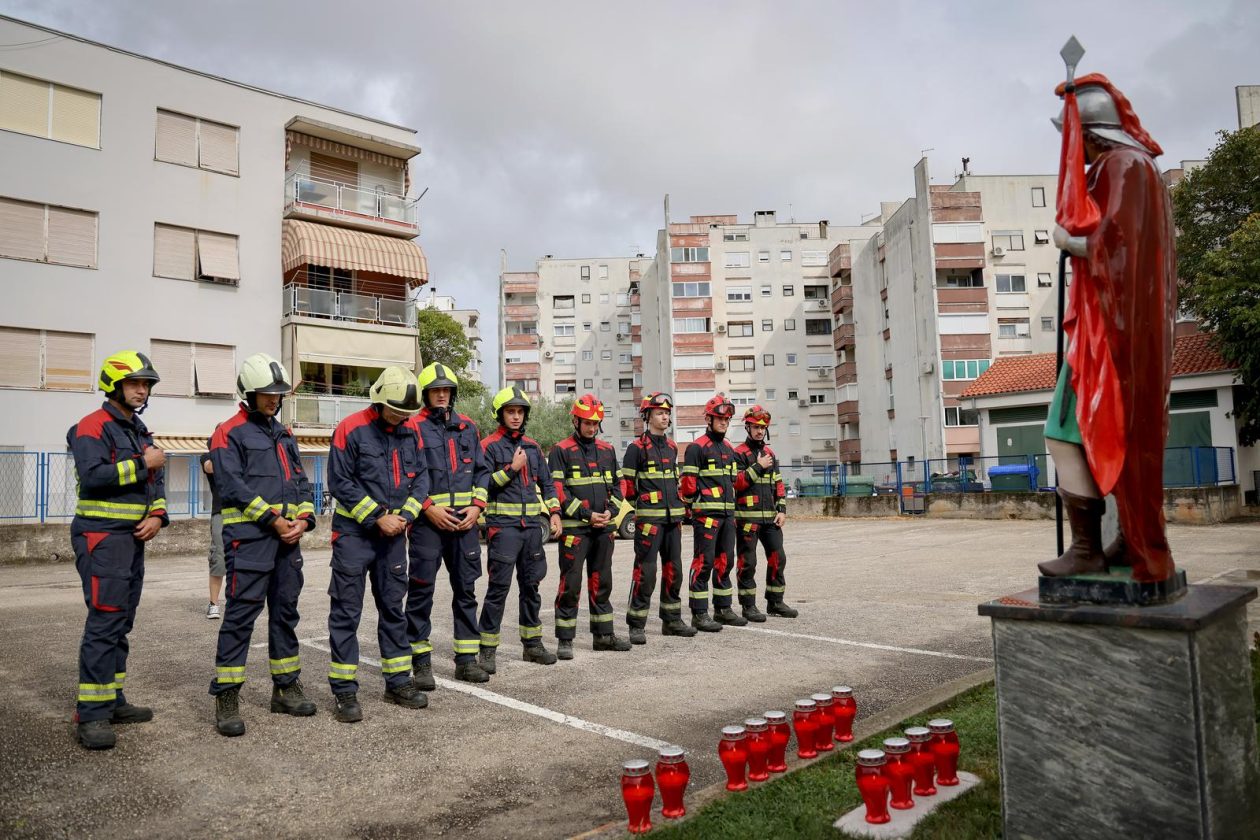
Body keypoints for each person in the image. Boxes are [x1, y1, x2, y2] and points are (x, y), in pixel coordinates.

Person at [1040, 73, 1178, 583]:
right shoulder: (1139, 168)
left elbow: (1118, 250)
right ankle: (1123, 540)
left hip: (1108, 336)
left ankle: (1087, 549)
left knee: (1064, 431)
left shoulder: (1123, 166)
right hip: (1112, 329)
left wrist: (1069, 242)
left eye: (1076, 138)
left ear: (1094, 135)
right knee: (1104, 432)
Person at [207, 353, 318, 736]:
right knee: (240, 619)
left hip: (288, 543)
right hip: (250, 542)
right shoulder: (228, 432)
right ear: (248, 394)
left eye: (278, 393)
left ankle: (285, 689)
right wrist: (272, 519)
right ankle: (226, 697)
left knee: (286, 616)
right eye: (266, 393)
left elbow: (301, 483)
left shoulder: (284, 434)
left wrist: (304, 519)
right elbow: (231, 485)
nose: (274, 399)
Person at [67, 350, 166, 750]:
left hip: (131, 539)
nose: (141, 390)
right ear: (113, 385)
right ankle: (90, 714)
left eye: (146, 384)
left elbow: (155, 480)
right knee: (105, 622)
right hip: (101, 538)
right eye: (134, 383)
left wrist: (158, 514)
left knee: (122, 622)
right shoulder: (91, 426)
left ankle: (112, 700)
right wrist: (143, 463)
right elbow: (93, 477)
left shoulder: (138, 429)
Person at [325, 366, 431, 722]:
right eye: (396, 411)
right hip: (355, 535)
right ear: (379, 400)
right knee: (346, 613)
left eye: (406, 413)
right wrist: (376, 517)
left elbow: (421, 480)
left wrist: (405, 517)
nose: (402, 417)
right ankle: (344, 691)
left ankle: (398, 681)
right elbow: (340, 482)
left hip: (393, 536)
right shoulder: (350, 429)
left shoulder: (411, 431)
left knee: (393, 610)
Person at [404, 363, 492, 686]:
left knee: (466, 591)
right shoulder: (412, 427)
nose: (441, 395)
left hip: (464, 524)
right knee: (421, 592)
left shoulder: (468, 427)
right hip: (428, 525)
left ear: (452, 394)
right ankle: (421, 662)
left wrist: (477, 507)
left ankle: (466, 660)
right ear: (425, 395)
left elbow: (482, 471)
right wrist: (427, 508)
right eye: (435, 390)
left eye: (446, 390)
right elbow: (406, 474)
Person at [476, 387, 561, 672]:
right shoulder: (488, 446)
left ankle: (532, 645)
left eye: (520, 411)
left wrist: (555, 513)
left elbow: (547, 484)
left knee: (532, 588)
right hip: (503, 530)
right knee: (498, 590)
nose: (515, 416)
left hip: (531, 531)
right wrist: (511, 468)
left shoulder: (534, 447)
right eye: (510, 411)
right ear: (500, 414)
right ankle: (487, 650)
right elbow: (483, 485)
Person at [550, 393, 631, 658]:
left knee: (602, 582)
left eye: (595, 423)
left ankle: (603, 636)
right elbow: (558, 491)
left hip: (604, 529)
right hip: (575, 529)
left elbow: (620, 486)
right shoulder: (561, 451)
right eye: (586, 422)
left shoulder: (607, 451)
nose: (591, 428)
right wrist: (587, 514)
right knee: (570, 584)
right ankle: (565, 639)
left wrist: (610, 511)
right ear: (575, 420)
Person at [620, 392, 696, 644]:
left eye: (667, 413)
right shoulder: (636, 448)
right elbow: (628, 487)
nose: (665, 417)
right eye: (659, 413)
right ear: (647, 416)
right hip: (649, 524)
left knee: (674, 571)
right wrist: (641, 509)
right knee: (646, 573)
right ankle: (636, 624)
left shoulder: (672, 446)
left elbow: (675, 482)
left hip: (673, 521)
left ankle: (672, 620)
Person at [680, 394, 742, 632]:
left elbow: (733, 479)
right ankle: (699, 613)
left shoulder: (728, 448)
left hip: (727, 515)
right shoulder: (697, 447)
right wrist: (698, 502)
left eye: (727, 419)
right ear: (708, 419)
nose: (724, 422)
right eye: (719, 418)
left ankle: (723, 609)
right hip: (706, 516)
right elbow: (688, 484)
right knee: (703, 563)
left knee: (725, 562)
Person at [733, 406, 798, 619]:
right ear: (748, 427)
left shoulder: (770, 453)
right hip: (747, 519)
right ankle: (748, 606)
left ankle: (775, 602)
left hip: (770, 518)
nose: (760, 431)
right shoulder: (739, 453)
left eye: (763, 427)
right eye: (755, 427)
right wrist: (758, 466)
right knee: (748, 562)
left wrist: (781, 510)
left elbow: (778, 484)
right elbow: (737, 483)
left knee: (778, 557)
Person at [199, 448, 224, 620]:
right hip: (221, 512)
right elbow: (210, 467)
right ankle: (214, 603)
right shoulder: (208, 457)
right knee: (218, 558)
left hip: (245, 511)